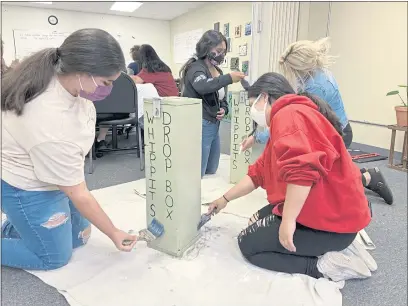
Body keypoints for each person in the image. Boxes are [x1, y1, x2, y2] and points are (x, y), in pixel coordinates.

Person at [207, 72, 377, 281]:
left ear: (265, 96)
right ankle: (326, 247)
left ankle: (322, 266)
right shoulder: (291, 114)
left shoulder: (288, 115)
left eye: (253, 104)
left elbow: (301, 172)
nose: (254, 111)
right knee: (255, 220)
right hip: (332, 210)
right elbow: (257, 174)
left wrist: (288, 222)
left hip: (335, 223)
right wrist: (224, 199)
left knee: (248, 244)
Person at [1, 28, 138, 271]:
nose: (109, 89)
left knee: (81, 236)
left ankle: (25, 224)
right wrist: (114, 232)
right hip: (25, 185)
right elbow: (78, 193)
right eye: (107, 82)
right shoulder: (48, 118)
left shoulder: (68, 82)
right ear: (83, 72)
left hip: (54, 174)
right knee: (53, 257)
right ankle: (21, 220)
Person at [240, 38, 393, 205]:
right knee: (333, 175)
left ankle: (369, 177)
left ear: (300, 67)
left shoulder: (316, 87)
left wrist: (257, 138)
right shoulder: (315, 74)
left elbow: (296, 121)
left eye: (290, 70)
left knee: (330, 185)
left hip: (336, 133)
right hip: (334, 129)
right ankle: (367, 176)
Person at [179, 30, 245, 177]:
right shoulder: (196, 68)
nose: (222, 55)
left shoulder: (218, 71)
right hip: (200, 122)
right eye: (218, 51)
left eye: (224, 52)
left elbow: (221, 98)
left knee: (211, 169)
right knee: (198, 172)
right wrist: (229, 78)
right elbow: (203, 86)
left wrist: (224, 109)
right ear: (206, 48)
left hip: (214, 123)